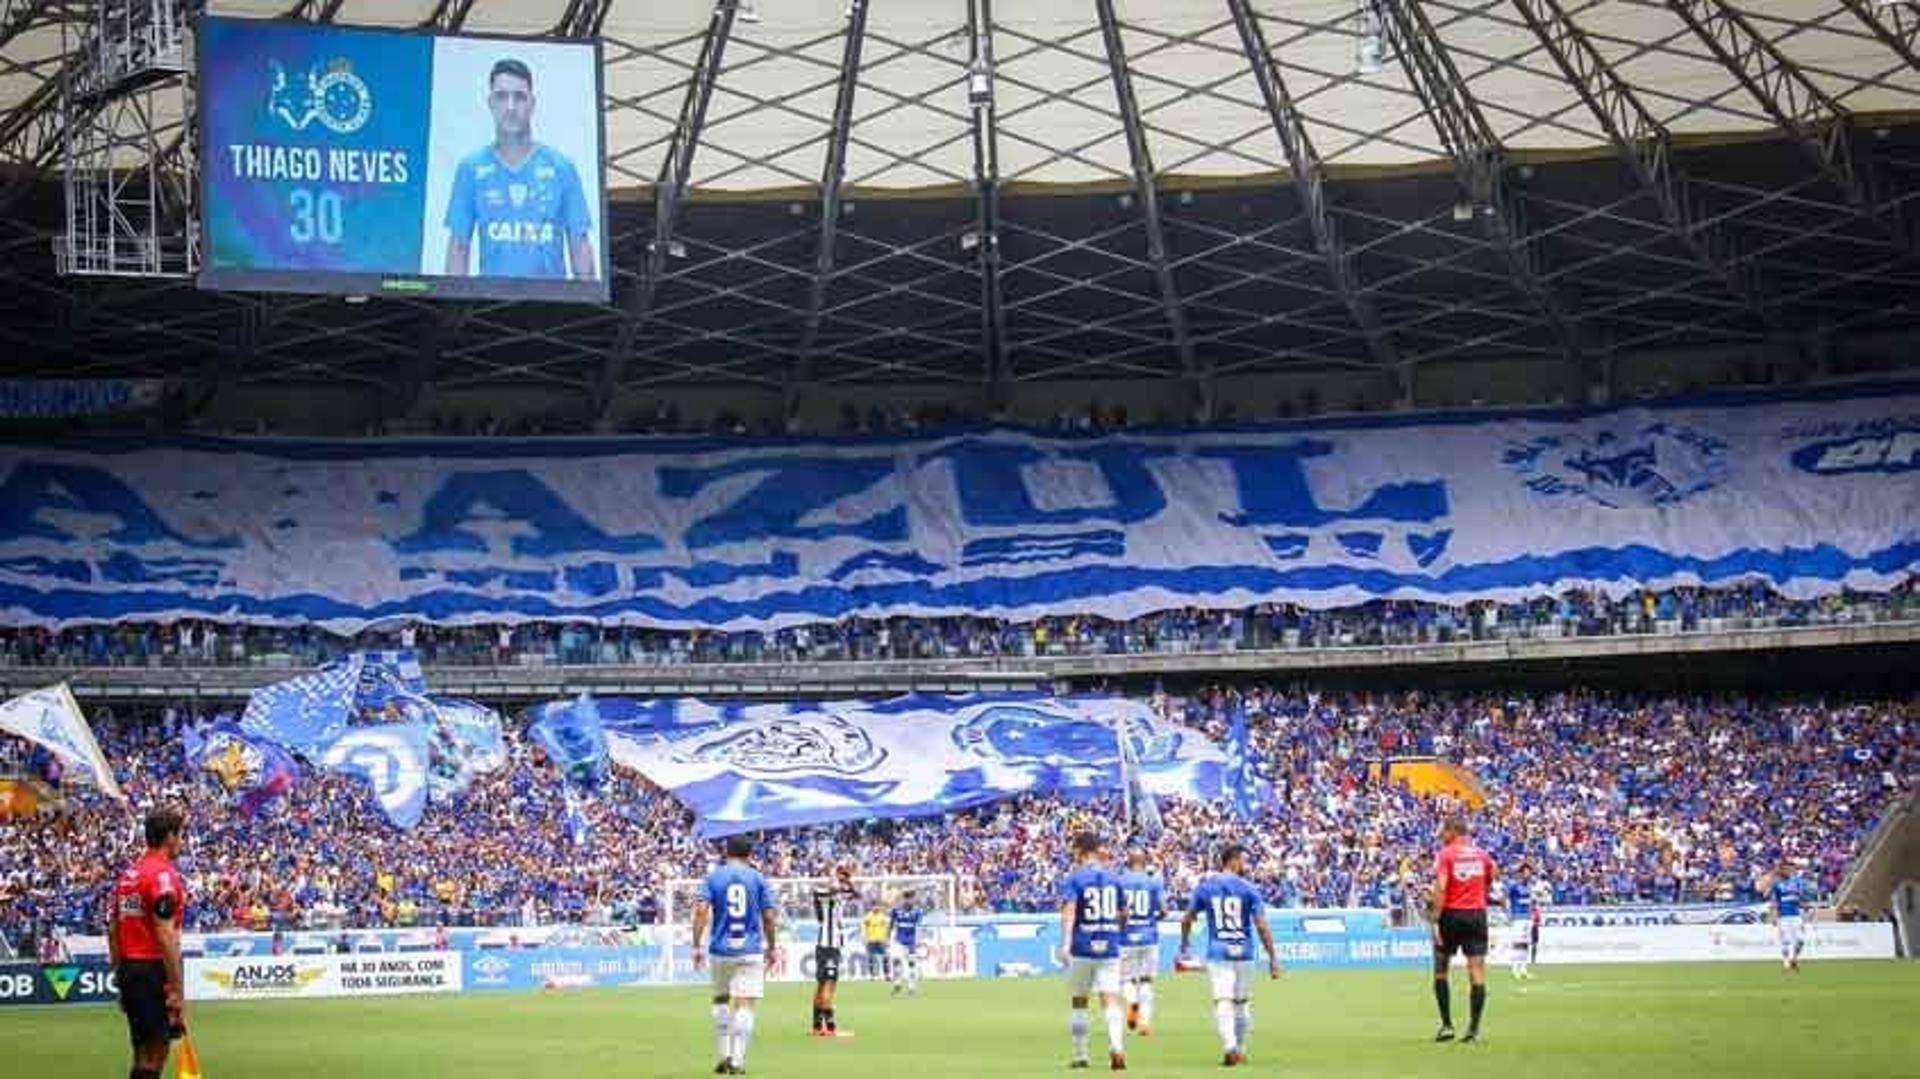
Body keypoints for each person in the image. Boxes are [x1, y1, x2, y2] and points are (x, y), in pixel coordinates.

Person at [443, 58, 597, 281]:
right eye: (502, 96)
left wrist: (585, 305)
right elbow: (458, 246)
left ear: (532, 103)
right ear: (490, 103)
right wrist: (454, 306)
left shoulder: (561, 166)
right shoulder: (471, 168)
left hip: (551, 304)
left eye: (520, 97)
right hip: (487, 307)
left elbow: (579, 243)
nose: (511, 107)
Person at [1180, 843, 1281, 1067]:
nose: (1246, 865)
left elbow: (1187, 918)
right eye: (1243, 860)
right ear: (1233, 861)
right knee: (1242, 1003)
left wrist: (1185, 943)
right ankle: (1241, 1048)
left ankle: (1230, 1046)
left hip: (1219, 951)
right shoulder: (1248, 889)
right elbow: (1262, 926)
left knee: (1222, 1000)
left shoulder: (1205, 887)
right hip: (1243, 952)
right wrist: (1273, 957)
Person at [110, 806, 188, 1079]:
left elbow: (114, 930)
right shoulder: (162, 876)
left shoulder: (128, 876)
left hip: (131, 969)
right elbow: (165, 933)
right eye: (180, 835)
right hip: (152, 969)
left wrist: (120, 978)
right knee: (155, 1053)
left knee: (142, 1052)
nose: (181, 842)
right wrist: (177, 988)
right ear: (169, 837)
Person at [692, 836, 779, 1076]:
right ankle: (738, 1062)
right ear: (750, 854)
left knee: (720, 999)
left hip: (720, 949)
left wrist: (696, 946)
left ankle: (723, 1056)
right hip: (750, 950)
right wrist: (772, 946)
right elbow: (769, 916)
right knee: (746, 1004)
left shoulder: (713, 877)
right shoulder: (758, 878)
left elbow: (701, 911)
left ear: (726, 852)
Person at [1059, 832, 1129, 1071]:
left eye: (1073, 850)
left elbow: (1069, 911)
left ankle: (1080, 1055)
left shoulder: (1074, 879)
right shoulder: (1114, 878)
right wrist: (1113, 929)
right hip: (1109, 946)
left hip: (1082, 946)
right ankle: (1117, 1047)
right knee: (1110, 999)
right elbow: (1124, 913)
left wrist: (1066, 943)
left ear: (1080, 850)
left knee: (1080, 1001)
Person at [1430, 817, 1496, 1043]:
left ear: (1452, 831)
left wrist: (1435, 919)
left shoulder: (1446, 855)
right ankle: (1474, 1030)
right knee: (1476, 972)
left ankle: (1447, 1025)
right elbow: (1490, 879)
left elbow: (1441, 886)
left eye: (1443, 832)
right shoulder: (1482, 855)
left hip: (1451, 914)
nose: (1441, 836)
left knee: (1441, 968)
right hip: (1476, 914)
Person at [1117, 849, 1166, 1036]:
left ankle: (1131, 1001)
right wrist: (1152, 919)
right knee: (1146, 980)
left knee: (1126, 979)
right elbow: (1164, 910)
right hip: (1149, 937)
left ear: (1127, 861)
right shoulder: (1153, 881)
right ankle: (1144, 1022)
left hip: (1126, 937)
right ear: (1145, 862)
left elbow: (1118, 911)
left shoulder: (1120, 881)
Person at [810, 860, 857, 1036]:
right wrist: (835, 874)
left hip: (833, 945)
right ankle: (829, 1026)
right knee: (828, 985)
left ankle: (816, 1025)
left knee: (823, 985)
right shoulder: (822, 892)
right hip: (827, 944)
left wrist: (846, 879)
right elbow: (831, 890)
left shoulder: (839, 893)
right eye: (840, 875)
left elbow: (855, 894)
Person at [1771, 863, 1807, 972]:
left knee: (1801, 940)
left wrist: (1803, 906)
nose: (1788, 871)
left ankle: (1794, 959)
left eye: (1789, 869)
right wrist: (1774, 915)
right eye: (1786, 869)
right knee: (1785, 941)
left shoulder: (1796, 882)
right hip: (1783, 916)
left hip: (1796, 915)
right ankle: (1786, 962)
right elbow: (1775, 901)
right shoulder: (1777, 884)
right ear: (1781, 871)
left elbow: (1798, 898)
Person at [888, 894, 924, 997]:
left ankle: (911, 987)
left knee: (911, 963)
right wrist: (887, 937)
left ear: (913, 899)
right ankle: (897, 983)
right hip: (898, 940)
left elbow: (919, 926)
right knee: (896, 960)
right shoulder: (896, 910)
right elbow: (891, 924)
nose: (908, 901)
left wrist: (919, 940)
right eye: (906, 898)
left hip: (911, 941)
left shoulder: (918, 911)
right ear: (903, 899)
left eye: (910, 898)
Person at [862, 903, 890, 981]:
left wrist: (887, 938)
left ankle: (887, 975)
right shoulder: (868, 917)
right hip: (871, 940)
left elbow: (887, 928)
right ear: (871, 907)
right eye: (874, 906)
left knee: (885, 957)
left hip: (881, 940)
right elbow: (864, 928)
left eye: (877, 906)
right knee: (871, 958)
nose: (876, 907)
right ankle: (872, 976)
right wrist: (864, 937)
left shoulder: (883, 917)